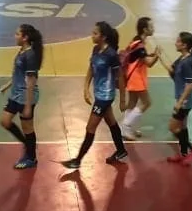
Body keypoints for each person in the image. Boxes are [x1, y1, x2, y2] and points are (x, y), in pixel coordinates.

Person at [61, 22, 128, 169]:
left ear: (103, 37)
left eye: (95, 33)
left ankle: (77, 160)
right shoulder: (95, 50)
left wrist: (123, 99)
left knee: (90, 128)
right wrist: (85, 88)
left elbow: (121, 77)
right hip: (98, 94)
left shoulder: (111, 55)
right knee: (111, 122)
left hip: (105, 96)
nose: (92, 35)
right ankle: (121, 150)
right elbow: (91, 69)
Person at [0, 24, 43, 169]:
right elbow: (19, 74)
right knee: (5, 121)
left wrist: (28, 105)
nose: (15, 36)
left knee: (28, 128)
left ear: (25, 38)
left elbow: (31, 81)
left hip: (25, 96)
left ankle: (31, 158)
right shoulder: (22, 51)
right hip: (16, 94)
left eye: (18, 34)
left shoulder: (30, 55)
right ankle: (27, 145)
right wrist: (8, 84)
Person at [159, 32, 192, 164]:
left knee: (173, 127)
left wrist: (180, 102)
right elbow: (172, 70)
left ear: (184, 45)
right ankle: (184, 154)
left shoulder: (187, 62)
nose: (175, 43)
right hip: (182, 98)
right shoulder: (181, 59)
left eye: (178, 41)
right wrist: (160, 57)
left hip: (186, 100)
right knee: (181, 126)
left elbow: (191, 84)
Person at [120, 17, 160, 140]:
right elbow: (149, 63)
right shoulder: (140, 47)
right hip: (137, 78)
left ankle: (126, 128)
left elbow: (138, 57)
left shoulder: (135, 41)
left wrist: (149, 54)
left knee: (132, 102)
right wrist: (157, 55)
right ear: (145, 29)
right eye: (151, 27)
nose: (153, 29)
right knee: (147, 102)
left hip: (131, 76)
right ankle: (126, 125)